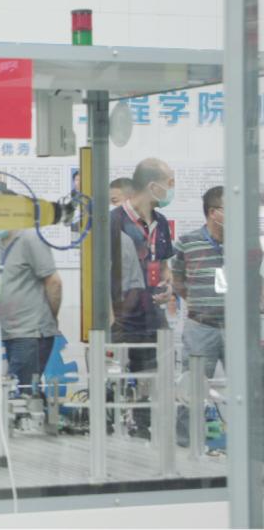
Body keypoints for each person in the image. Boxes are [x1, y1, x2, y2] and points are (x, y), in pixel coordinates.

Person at [111, 158, 176, 440]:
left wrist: (168, 286)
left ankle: (143, 430)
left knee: (152, 379)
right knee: (113, 382)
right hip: (121, 318)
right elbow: (99, 274)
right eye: (169, 183)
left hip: (153, 318)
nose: (171, 189)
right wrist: (109, 318)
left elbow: (164, 266)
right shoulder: (113, 222)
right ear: (152, 186)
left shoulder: (161, 223)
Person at [0, 191, 64, 393]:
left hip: (31, 332)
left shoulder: (31, 238)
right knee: (25, 391)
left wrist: (50, 318)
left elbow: (54, 282)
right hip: (11, 331)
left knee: (23, 393)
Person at [172, 186, 225, 447]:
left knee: (252, 387)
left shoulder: (248, 242)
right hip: (200, 327)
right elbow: (177, 280)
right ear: (214, 213)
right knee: (191, 388)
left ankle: (254, 447)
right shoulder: (187, 242)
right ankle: (186, 444)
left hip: (239, 329)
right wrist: (201, 304)